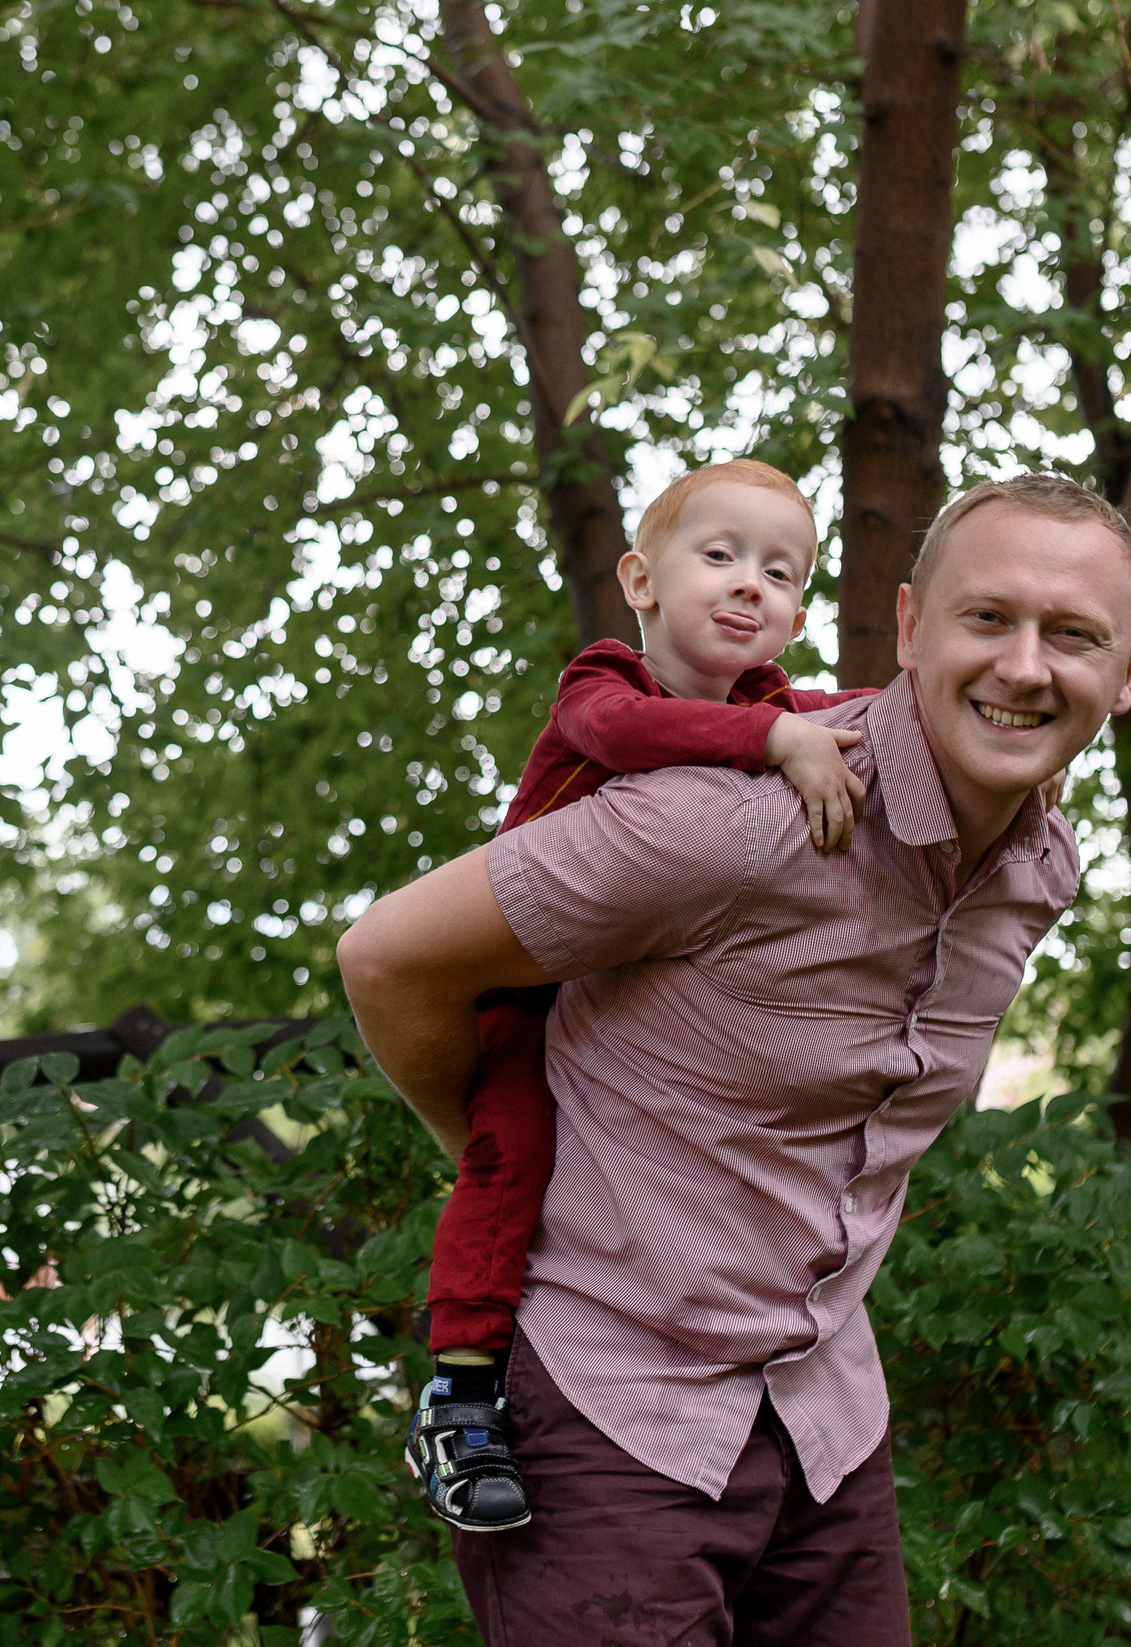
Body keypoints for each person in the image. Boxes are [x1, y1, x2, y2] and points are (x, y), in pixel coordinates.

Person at [338, 473, 1131, 1644]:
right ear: (911, 628)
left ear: (1124, 673)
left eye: (1072, 635)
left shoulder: (1038, 871)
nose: (1026, 667)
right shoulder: (725, 823)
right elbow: (387, 961)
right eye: (988, 619)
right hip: (610, 1415)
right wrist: (502, 1164)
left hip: (825, 1421)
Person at [410, 459, 879, 1532]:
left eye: (777, 571)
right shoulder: (605, 683)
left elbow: (862, 716)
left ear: (796, 614)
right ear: (642, 578)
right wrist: (775, 740)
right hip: (526, 990)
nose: (747, 584)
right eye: (718, 556)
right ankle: (462, 1392)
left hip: (635, 1009)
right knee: (512, 1152)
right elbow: (630, 743)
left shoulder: (775, 704)